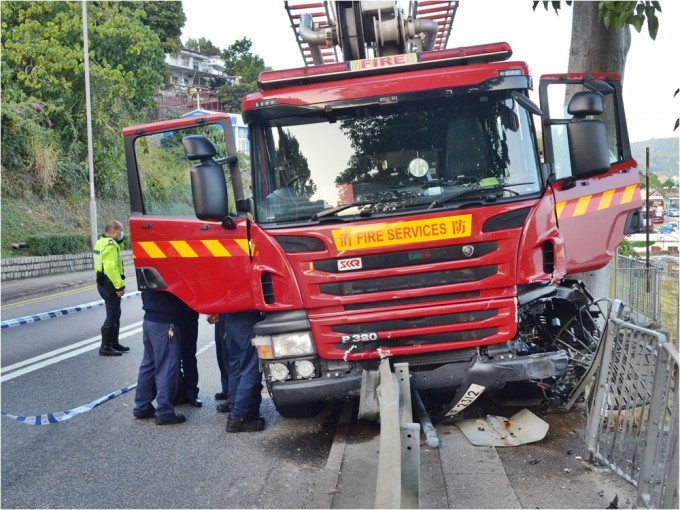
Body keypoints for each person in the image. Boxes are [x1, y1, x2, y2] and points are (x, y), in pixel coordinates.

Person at [133, 290, 188, 425]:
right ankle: (164, 411)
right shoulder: (167, 268)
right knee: (167, 366)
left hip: (150, 318)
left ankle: (142, 406)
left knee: (149, 364)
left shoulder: (147, 267)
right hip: (165, 319)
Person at [225, 311, 265, 433]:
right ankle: (239, 416)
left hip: (230, 319)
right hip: (247, 317)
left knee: (235, 367)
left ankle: (236, 409)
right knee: (251, 368)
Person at [93, 219, 128, 356]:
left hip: (103, 282)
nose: (122, 233)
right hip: (110, 283)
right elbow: (110, 267)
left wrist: (119, 241)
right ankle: (105, 346)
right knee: (112, 314)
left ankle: (113, 343)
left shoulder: (102, 242)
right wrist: (119, 286)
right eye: (120, 230)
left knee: (116, 313)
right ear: (113, 231)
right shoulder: (110, 245)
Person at [177, 306, 202, 407]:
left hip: (189, 313)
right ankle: (174, 392)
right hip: (169, 315)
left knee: (189, 355)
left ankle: (191, 393)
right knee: (171, 358)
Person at [207, 314, 230, 412]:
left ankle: (234, 396)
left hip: (229, 313)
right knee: (221, 354)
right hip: (222, 313)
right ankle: (227, 389)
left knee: (229, 357)